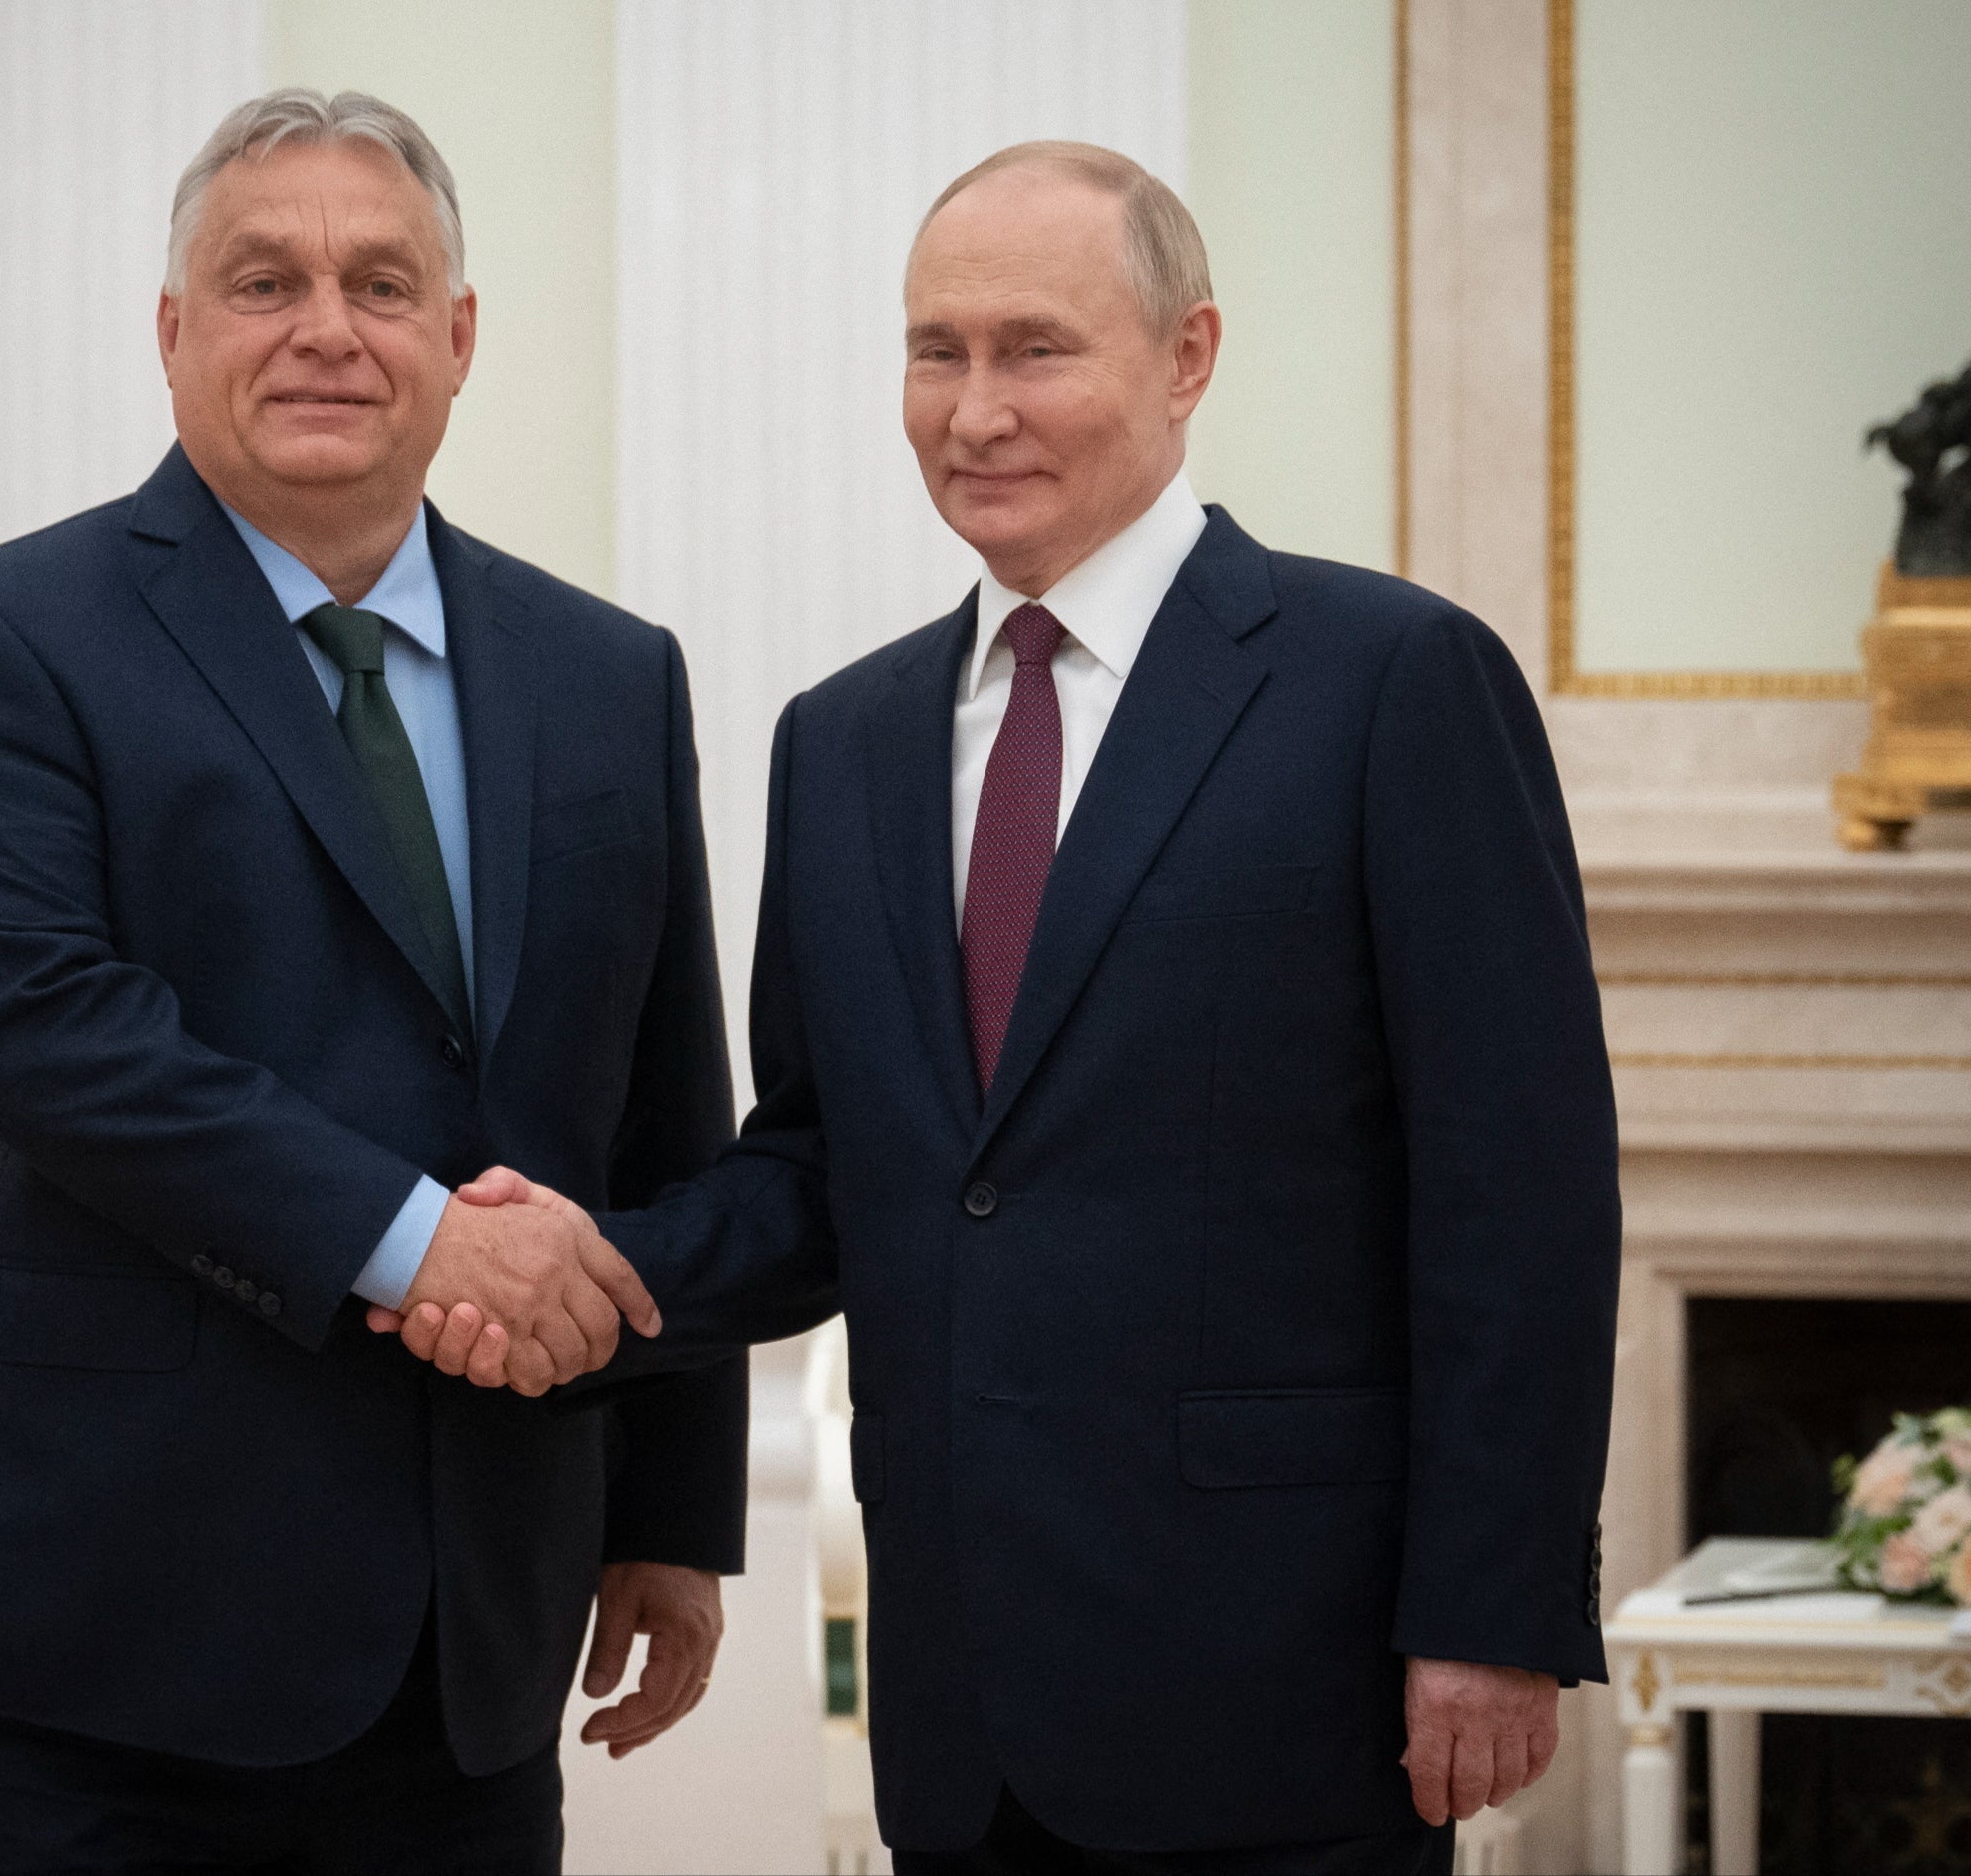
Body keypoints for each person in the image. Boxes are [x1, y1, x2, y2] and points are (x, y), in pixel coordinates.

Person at [383, 142, 1621, 1875]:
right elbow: (827, 1169)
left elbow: (1522, 1189)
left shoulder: (1392, 684)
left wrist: (1489, 1608)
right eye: (933, 352)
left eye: (1034, 348)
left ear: (1186, 358)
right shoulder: (843, 740)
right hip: (963, 1704)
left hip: (1288, 1685)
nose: (973, 411)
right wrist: (585, 1269)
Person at [0, 87, 739, 1874]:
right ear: (173, 334)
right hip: (79, 1634)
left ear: (458, 338)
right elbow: (49, 1038)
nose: (328, 327)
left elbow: (659, 1101)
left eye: (382, 284)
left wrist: (670, 1507)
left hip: (468, 1632)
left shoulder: (607, 674)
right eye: (263, 281)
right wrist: (423, 1241)